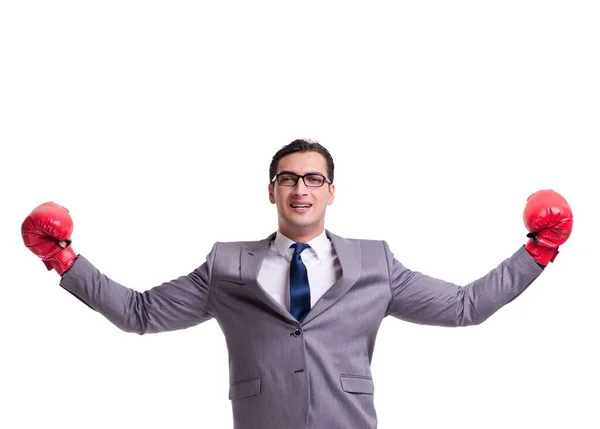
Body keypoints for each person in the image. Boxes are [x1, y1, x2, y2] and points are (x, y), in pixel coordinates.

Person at [21, 139, 573, 429]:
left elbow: (463, 306)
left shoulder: (375, 263)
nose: (300, 188)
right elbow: (140, 313)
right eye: (288, 178)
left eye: (313, 178)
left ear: (332, 192)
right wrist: (63, 259)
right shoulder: (226, 265)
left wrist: (539, 250)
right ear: (271, 191)